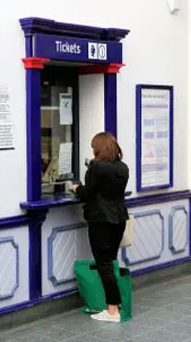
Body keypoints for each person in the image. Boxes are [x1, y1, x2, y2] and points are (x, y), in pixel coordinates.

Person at [72, 132, 129, 323]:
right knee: (110, 261)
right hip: (119, 219)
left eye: (93, 147)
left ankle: (112, 310)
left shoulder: (97, 168)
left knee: (103, 264)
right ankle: (116, 303)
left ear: (99, 148)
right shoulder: (123, 167)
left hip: (101, 221)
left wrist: (76, 188)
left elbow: (87, 194)